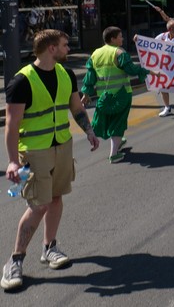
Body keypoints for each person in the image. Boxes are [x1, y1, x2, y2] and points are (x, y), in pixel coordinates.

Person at [2, 30, 100, 291]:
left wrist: (89, 132)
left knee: (56, 198)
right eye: (66, 45)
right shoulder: (22, 81)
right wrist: (12, 162)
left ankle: (49, 248)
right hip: (34, 152)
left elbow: (76, 108)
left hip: (62, 147)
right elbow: (11, 127)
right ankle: (15, 260)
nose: (69, 49)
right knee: (39, 204)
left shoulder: (66, 75)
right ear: (51, 48)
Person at [80, 27, 155, 163]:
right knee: (118, 123)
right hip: (121, 94)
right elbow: (131, 70)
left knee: (109, 120)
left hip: (104, 96)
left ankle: (118, 142)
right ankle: (114, 154)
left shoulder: (95, 54)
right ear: (112, 39)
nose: (122, 39)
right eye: (120, 36)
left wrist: (86, 93)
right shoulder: (120, 52)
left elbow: (89, 76)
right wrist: (147, 71)